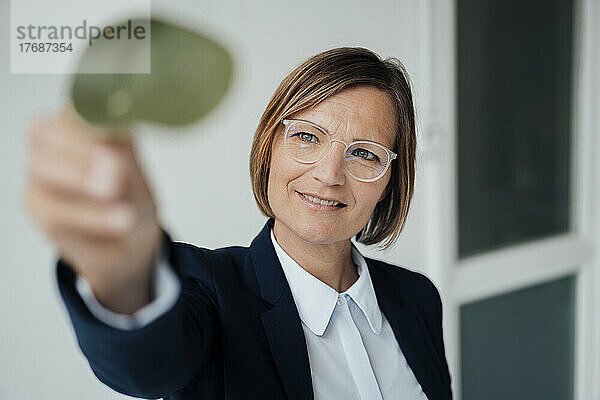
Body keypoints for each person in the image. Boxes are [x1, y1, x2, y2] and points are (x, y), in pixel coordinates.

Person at [24, 47, 452, 400]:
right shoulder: (208, 290)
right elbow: (147, 366)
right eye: (306, 136)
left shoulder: (417, 298)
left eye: (364, 153)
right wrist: (124, 274)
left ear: (391, 180)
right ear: (269, 146)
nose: (329, 174)